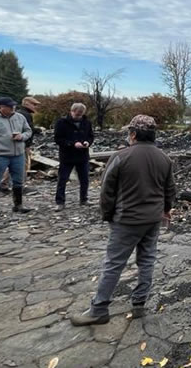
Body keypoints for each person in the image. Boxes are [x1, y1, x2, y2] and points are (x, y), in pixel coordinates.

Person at [70, 115, 175, 326]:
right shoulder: (164, 158)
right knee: (147, 260)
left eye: (129, 132)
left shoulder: (121, 156)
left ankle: (98, 310)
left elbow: (106, 191)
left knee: (113, 264)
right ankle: (139, 303)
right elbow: (170, 190)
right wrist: (165, 210)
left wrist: (107, 215)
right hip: (153, 219)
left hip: (126, 220)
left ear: (133, 134)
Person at [0, 97, 33, 219]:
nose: (12, 108)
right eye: (9, 106)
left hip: (18, 155)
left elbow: (28, 131)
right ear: (0, 107)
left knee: (18, 181)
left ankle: (18, 205)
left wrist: (22, 136)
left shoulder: (20, 117)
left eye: (13, 106)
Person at [53, 103, 94, 210]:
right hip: (67, 156)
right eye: (76, 115)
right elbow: (58, 139)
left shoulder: (87, 122)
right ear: (71, 111)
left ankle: (84, 199)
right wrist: (72, 144)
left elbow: (91, 136)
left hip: (83, 156)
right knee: (63, 179)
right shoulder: (61, 122)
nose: (78, 117)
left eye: (80, 115)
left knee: (84, 179)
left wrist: (88, 142)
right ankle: (60, 202)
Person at [1, 96, 41, 189]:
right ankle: (20, 186)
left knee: (12, 164)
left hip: (17, 143)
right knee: (23, 165)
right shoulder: (25, 115)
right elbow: (28, 129)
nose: (35, 107)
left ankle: (4, 183)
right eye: (34, 104)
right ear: (27, 103)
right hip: (23, 143)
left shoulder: (18, 113)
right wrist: (38, 130)